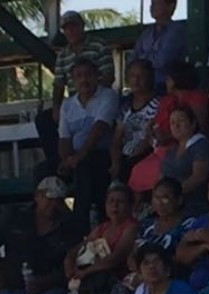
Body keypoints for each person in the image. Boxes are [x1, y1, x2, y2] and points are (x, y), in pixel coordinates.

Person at [51, 183, 139, 294]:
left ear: (129, 205)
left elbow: (116, 258)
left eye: (120, 202)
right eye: (111, 201)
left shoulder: (131, 227)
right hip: (92, 280)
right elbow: (76, 249)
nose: (115, 205)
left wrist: (85, 272)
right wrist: (69, 265)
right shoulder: (102, 228)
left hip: (118, 280)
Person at [38, 10, 115, 171]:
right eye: (67, 28)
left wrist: (90, 93)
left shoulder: (98, 45)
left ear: (82, 26)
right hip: (73, 103)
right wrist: (57, 106)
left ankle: (79, 158)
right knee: (44, 120)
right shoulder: (63, 55)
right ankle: (60, 160)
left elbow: (108, 76)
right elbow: (59, 83)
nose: (71, 31)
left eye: (74, 26)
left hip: (97, 98)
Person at [127, 61, 209, 197]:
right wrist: (151, 131)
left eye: (168, 79)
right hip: (159, 147)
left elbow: (198, 126)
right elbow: (156, 124)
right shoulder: (167, 99)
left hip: (178, 147)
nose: (166, 82)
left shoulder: (197, 98)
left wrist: (169, 136)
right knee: (132, 165)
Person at [58, 57, 119, 234]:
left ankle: (81, 227)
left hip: (101, 153)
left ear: (96, 77)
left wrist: (78, 157)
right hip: (76, 157)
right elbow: (64, 138)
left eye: (87, 75)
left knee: (84, 167)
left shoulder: (108, 96)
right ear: (73, 81)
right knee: (42, 170)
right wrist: (66, 160)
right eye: (78, 76)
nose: (83, 80)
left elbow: (99, 130)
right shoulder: (68, 105)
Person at [110, 59, 161, 183]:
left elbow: (150, 139)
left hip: (147, 153)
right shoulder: (125, 104)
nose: (136, 80)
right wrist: (116, 162)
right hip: (124, 154)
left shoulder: (159, 103)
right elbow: (117, 138)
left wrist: (130, 159)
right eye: (133, 76)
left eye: (141, 76)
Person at [162, 106, 209, 218]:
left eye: (181, 121)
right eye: (172, 122)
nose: (176, 126)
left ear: (193, 124)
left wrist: (173, 195)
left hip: (194, 205)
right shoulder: (172, 150)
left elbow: (199, 177)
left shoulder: (201, 145)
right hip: (169, 204)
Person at [131, 0, 186, 89]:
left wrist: (143, 59)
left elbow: (163, 60)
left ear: (171, 6)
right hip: (143, 86)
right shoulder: (146, 33)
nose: (152, 6)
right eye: (152, 3)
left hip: (164, 87)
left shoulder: (177, 31)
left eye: (157, 2)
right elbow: (133, 59)